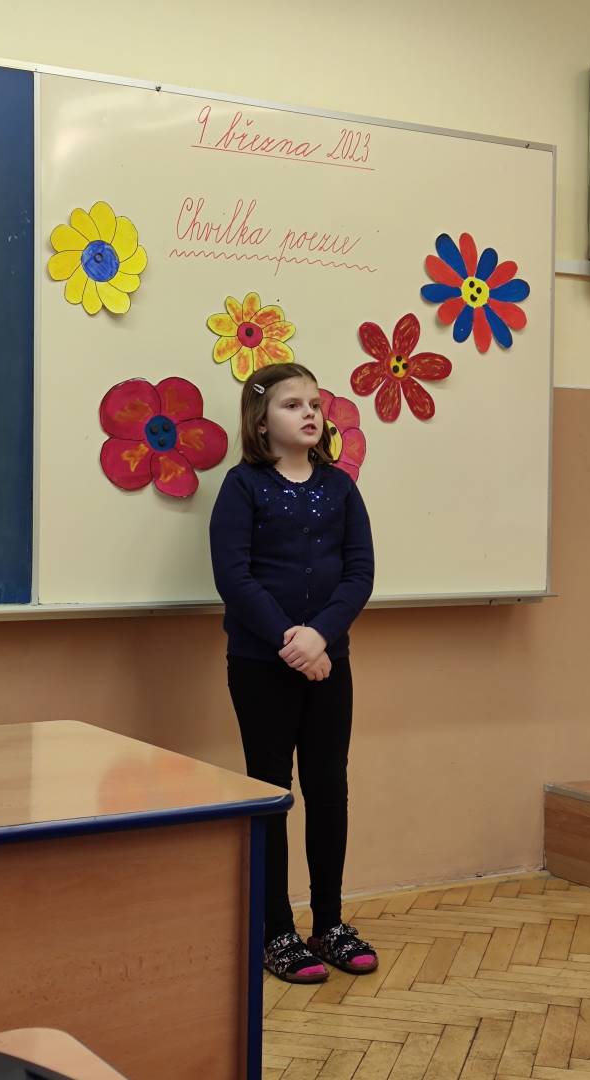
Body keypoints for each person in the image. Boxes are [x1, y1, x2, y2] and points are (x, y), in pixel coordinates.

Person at [209, 362, 377, 983]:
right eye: (291, 404)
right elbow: (234, 576)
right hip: (262, 665)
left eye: (314, 403)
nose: (309, 413)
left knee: (329, 788)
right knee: (272, 790)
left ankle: (329, 922)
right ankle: (275, 929)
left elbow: (359, 571)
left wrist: (320, 636)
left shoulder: (340, 488)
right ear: (261, 421)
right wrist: (290, 639)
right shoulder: (242, 487)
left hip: (330, 661)